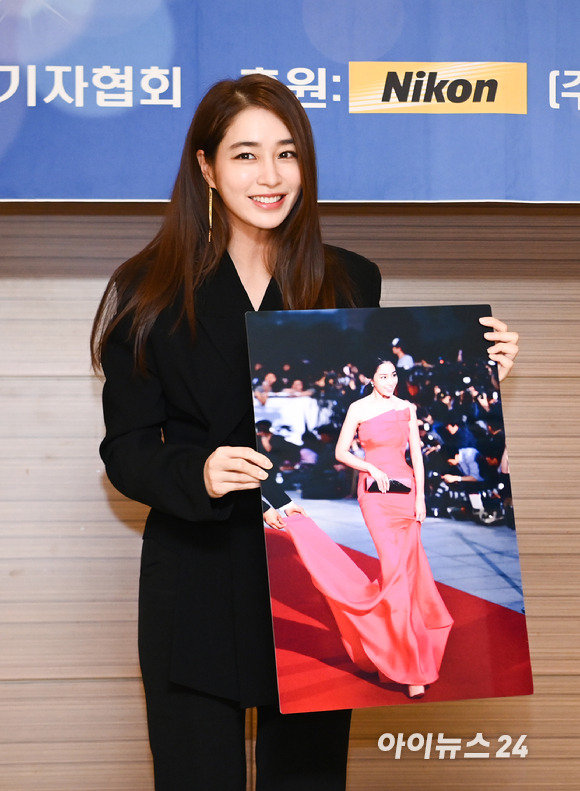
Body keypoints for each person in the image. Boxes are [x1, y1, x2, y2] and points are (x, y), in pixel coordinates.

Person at [91, 73, 519, 790]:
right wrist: (194, 471)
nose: (270, 176)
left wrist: (480, 370)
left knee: (309, 778)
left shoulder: (350, 280)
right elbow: (125, 449)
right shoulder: (149, 287)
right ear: (206, 166)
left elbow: (381, 390)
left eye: (286, 154)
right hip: (196, 575)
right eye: (246, 155)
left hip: (306, 575)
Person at [276, 360, 453, 699]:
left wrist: (422, 497)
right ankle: (408, 665)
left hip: (406, 493)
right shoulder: (358, 408)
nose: (390, 381)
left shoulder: (406, 407)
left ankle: (408, 652)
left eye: (394, 375)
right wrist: (369, 465)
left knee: (409, 572)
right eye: (384, 376)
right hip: (373, 494)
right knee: (393, 569)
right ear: (371, 378)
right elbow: (342, 452)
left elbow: (416, 452)